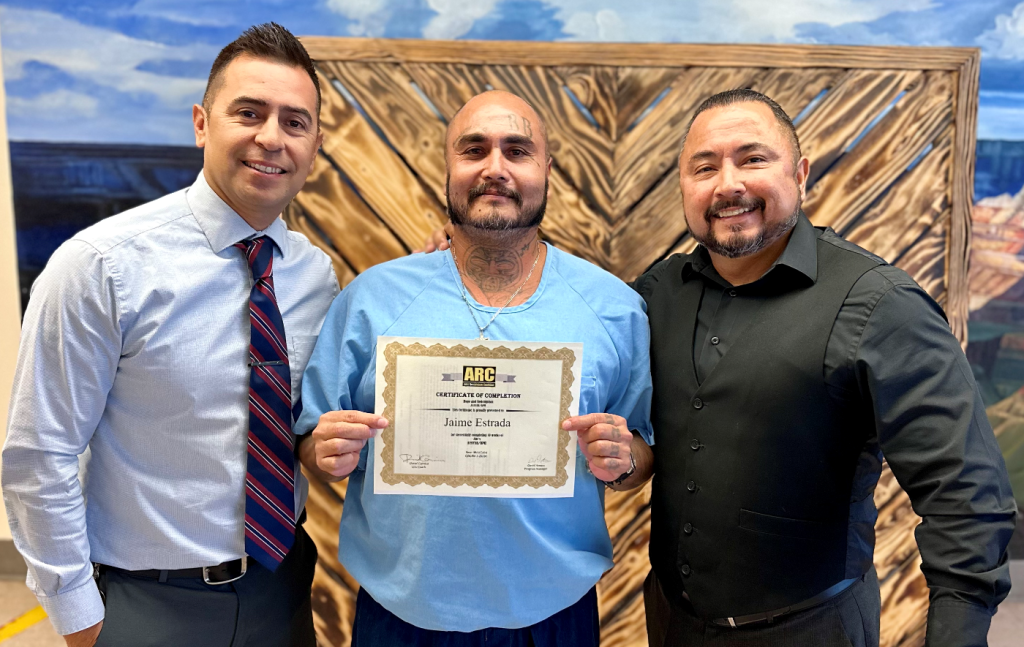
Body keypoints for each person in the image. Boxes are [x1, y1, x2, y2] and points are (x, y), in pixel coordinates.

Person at [425, 89, 1018, 646]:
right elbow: (557, 320)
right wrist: (470, 261)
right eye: (704, 168)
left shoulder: (880, 305)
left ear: (801, 173)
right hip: (674, 621)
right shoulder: (655, 295)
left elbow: (965, 495)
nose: (727, 185)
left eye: (752, 159)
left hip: (812, 628)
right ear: (683, 186)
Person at [2, 23, 335, 647]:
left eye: (295, 122)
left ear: (314, 145)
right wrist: (83, 622)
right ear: (202, 123)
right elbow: (38, 455)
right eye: (248, 112)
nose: (271, 137)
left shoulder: (314, 276)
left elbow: (304, 417)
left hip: (281, 591)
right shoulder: (102, 265)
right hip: (146, 603)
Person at [295, 89, 653, 646]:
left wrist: (624, 458)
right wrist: (323, 450)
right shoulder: (371, 300)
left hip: (554, 612)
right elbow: (310, 440)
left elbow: (642, 455)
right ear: (447, 168)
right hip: (400, 613)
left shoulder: (613, 308)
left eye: (517, 150)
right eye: (473, 150)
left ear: (546, 170)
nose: (495, 168)